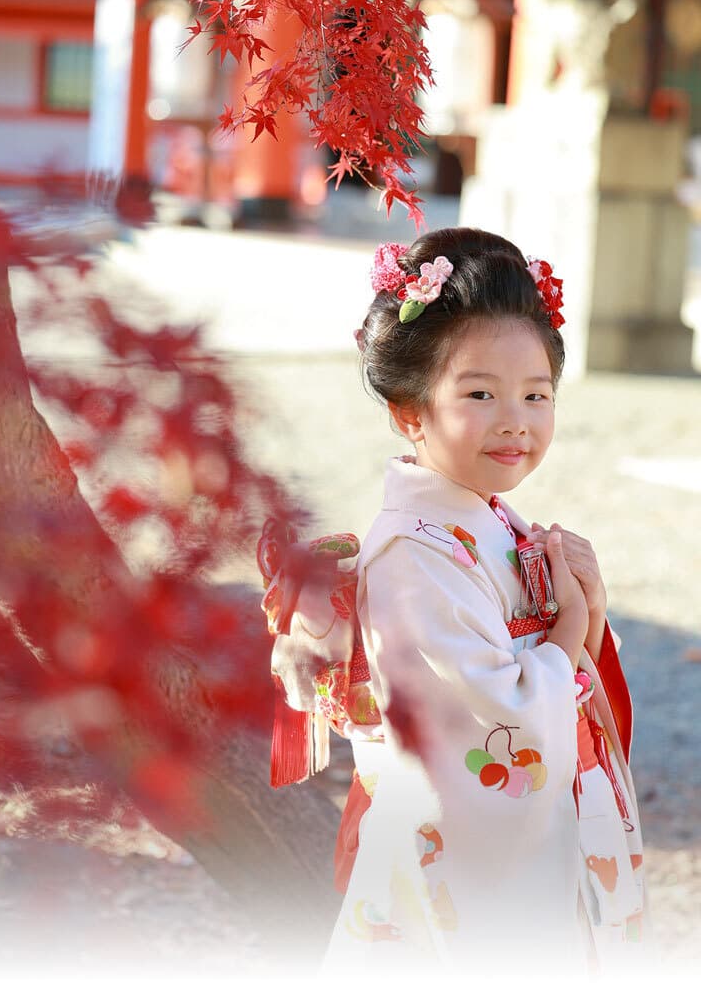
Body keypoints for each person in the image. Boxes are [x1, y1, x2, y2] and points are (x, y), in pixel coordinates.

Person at [259, 228, 645, 980]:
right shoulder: (416, 552)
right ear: (409, 411)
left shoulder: (487, 521)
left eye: (538, 394)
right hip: (454, 870)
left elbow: (556, 681)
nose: (516, 420)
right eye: (480, 393)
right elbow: (489, 728)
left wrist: (588, 611)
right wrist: (569, 629)